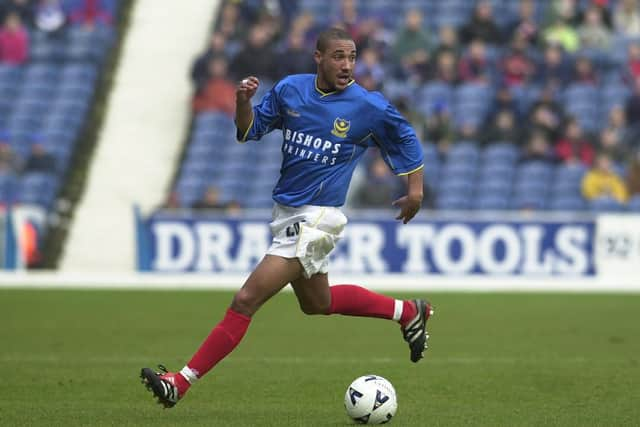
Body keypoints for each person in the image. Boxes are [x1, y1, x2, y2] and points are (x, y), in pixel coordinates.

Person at [140, 27, 433, 408]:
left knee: (246, 299)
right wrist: (244, 101)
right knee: (317, 302)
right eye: (338, 57)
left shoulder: (367, 106)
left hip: (319, 219)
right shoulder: (290, 90)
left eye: (352, 57)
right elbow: (248, 131)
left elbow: (406, 136)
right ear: (319, 58)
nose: (347, 65)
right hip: (287, 214)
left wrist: (416, 190)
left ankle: (180, 382)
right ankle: (407, 312)